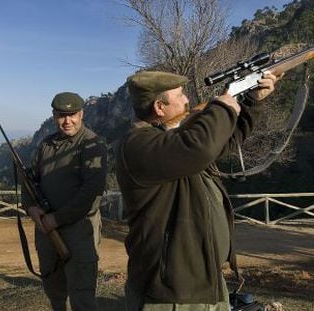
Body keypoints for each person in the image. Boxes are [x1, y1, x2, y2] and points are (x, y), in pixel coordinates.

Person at [116, 70, 279, 310]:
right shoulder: (138, 145)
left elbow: (219, 143)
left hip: (204, 281)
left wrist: (252, 101)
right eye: (180, 95)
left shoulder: (171, 141)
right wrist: (223, 106)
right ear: (160, 108)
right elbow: (201, 148)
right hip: (172, 294)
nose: (186, 100)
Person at [22, 92, 108, 310]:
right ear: (54, 116)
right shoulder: (46, 145)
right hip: (46, 230)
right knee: (54, 290)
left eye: (72, 115)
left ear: (81, 114)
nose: (67, 121)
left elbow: (91, 193)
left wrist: (56, 219)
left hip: (80, 230)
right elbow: (30, 183)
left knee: (82, 295)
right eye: (62, 115)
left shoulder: (92, 144)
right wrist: (31, 208)